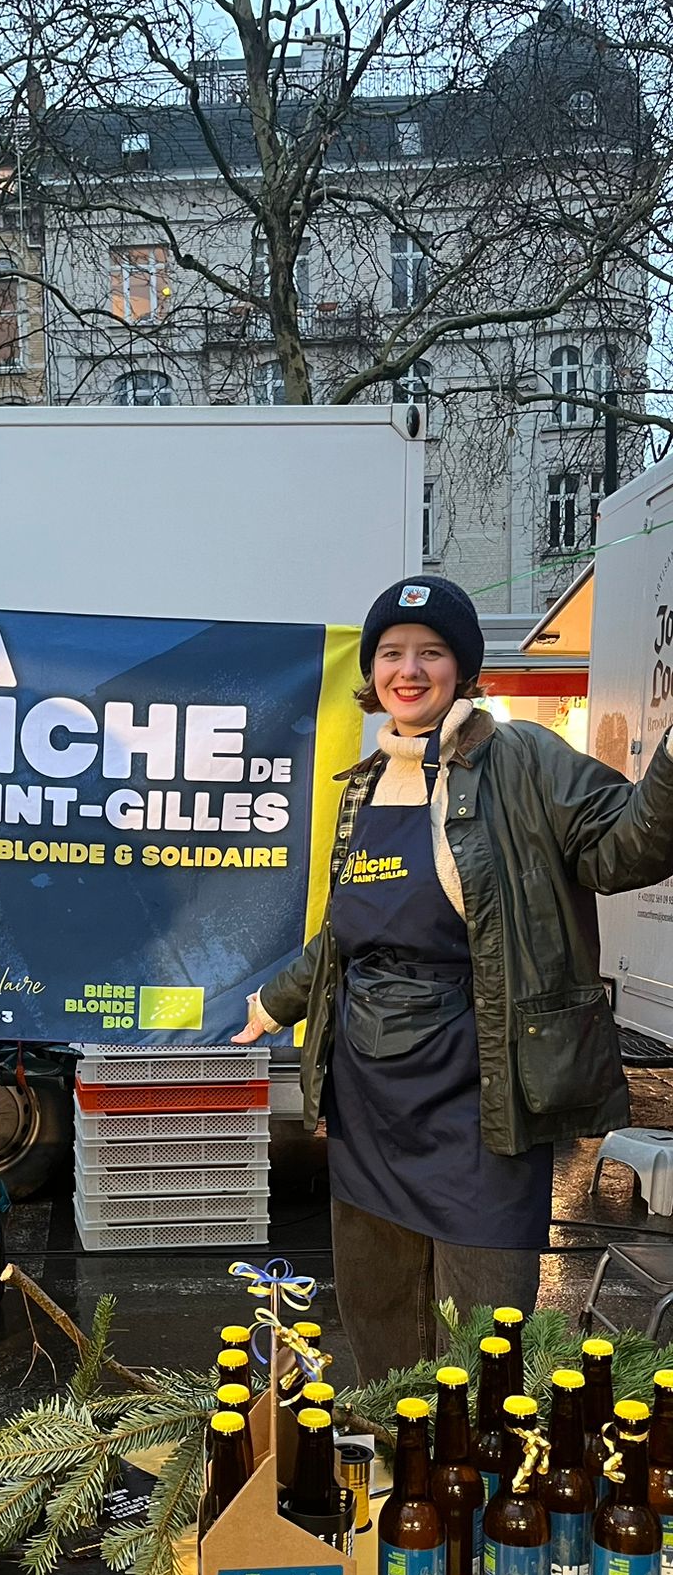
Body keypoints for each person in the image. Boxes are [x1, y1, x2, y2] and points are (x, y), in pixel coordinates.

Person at [234, 575, 673, 1381]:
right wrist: (273, 1002)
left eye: (430, 652)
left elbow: (625, 847)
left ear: (463, 668)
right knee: (377, 1305)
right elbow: (349, 934)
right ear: (373, 671)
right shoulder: (366, 783)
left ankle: (476, 1456)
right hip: (369, 1090)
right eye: (391, 653)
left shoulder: (525, 760)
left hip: (482, 1082)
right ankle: (392, 1443)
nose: (409, 670)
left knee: (482, 1323)